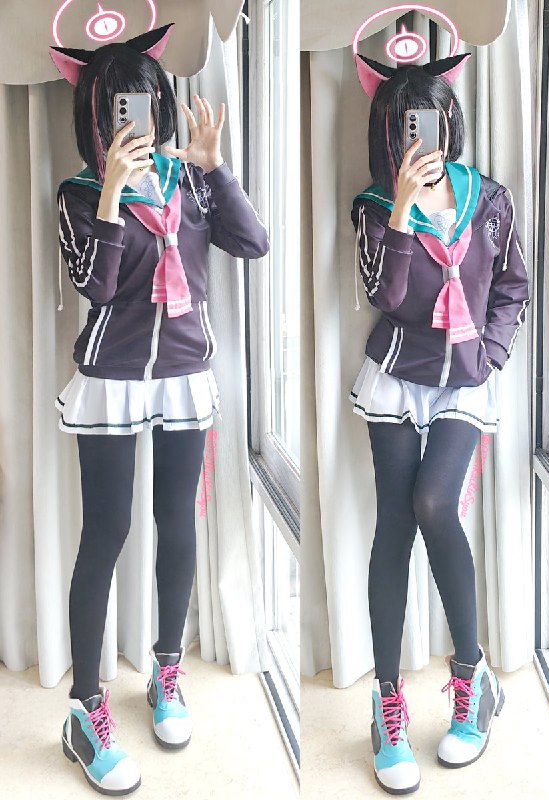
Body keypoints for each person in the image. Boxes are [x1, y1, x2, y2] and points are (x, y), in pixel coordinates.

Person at [49, 23, 268, 795]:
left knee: (178, 523)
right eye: (116, 105)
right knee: (106, 532)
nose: (131, 118)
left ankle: (167, 674)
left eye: (139, 101)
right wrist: (112, 194)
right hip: (112, 377)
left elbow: (253, 243)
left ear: (160, 104)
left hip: (184, 375)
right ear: (94, 115)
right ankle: (84, 711)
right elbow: (98, 287)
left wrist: (217, 168)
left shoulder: (194, 181)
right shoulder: (78, 193)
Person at [350, 50, 529, 794]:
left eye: (428, 119)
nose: (420, 134)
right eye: (404, 124)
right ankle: (387, 702)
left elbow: (513, 285)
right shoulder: (371, 206)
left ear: (449, 120)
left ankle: (471, 676)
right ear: (388, 132)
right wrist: (399, 210)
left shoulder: (490, 200)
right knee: (394, 522)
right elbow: (387, 296)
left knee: (433, 502)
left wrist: (490, 354)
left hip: (464, 381)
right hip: (397, 375)